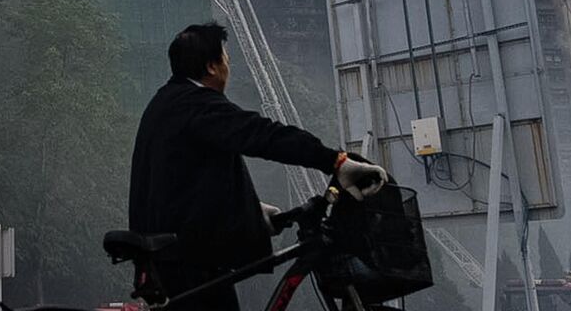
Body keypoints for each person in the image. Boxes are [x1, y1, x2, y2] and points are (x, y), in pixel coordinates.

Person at [129, 23, 388, 309]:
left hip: (165, 255)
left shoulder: (163, 105)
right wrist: (335, 161)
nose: (229, 67)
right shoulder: (198, 105)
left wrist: (246, 209)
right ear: (212, 66)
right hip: (189, 259)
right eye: (226, 60)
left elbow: (184, 182)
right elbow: (262, 134)